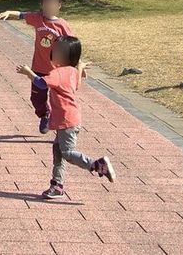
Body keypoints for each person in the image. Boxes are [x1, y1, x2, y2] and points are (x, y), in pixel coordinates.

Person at [16, 36, 116, 198]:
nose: (53, 52)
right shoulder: (71, 71)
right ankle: (56, 186)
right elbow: (76, 82)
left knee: (67, 153)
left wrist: (29, 73)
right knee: (58, 152)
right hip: (68, 119)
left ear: (68, 56)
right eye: (55, 49)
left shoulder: (59, 73)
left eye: (58, 51)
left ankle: (97, 165)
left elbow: (41, 84)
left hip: (66, 120)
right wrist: (81, 67)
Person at [0, 0, 73, 134]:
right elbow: (21, 15)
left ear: (59, 5)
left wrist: (75, 66)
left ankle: (63, 128)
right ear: (42, 4)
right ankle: (45, 115)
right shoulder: (38, 19)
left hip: (57, 70)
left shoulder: (62, 25)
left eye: (52, 3)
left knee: (60, 101)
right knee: (36, 99)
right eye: (46, 3)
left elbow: (73, 45)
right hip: (38, 67)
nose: (48, 6)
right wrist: (8, 13)